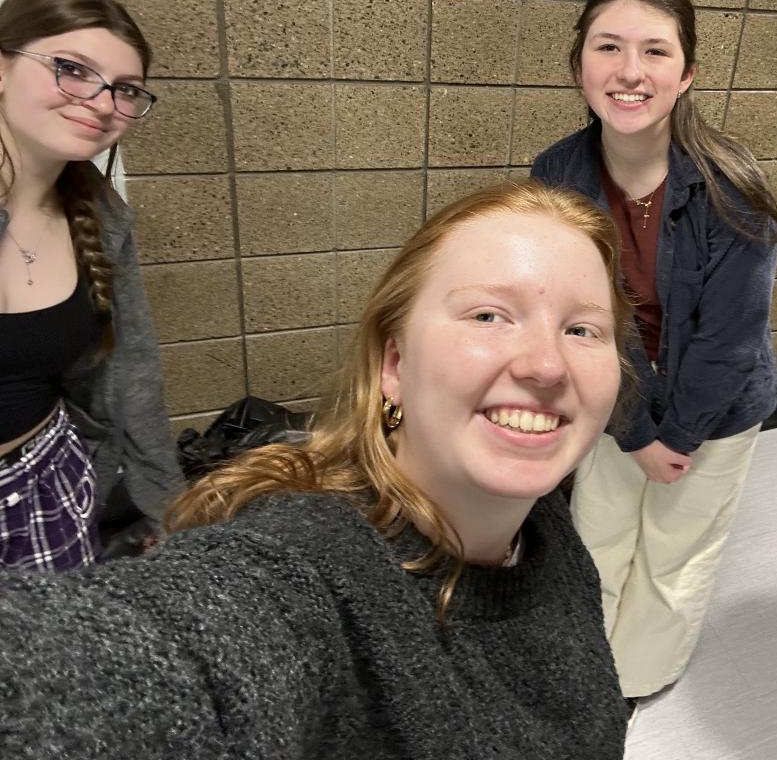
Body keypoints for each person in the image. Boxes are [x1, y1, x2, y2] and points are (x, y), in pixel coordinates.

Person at [0, 179, 631, 759]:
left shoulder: (544, 528)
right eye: (488, 316)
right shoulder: (303, 568)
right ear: (393, 364)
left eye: (583, 330)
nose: (547, 365)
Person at [532, 0, 777, 704]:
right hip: (614, 397)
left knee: (675, 554)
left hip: (716, 405)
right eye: (609, 47)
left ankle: (635, 684)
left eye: (655, 51)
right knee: (597, 534)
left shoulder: (732, 187)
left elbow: (729, 342)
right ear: (579, 63)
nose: (630, 72)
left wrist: (674, 436)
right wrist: (637, 430)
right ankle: (585, 670)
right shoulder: (555, 173)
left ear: (687, 74)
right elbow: (569, 316)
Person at [0, 0, 183, 568]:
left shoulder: (102, 218)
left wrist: (168, 514)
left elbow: (131, 379)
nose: (103, 103)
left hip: (51, 487)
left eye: (124, 89)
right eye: (72, 69)